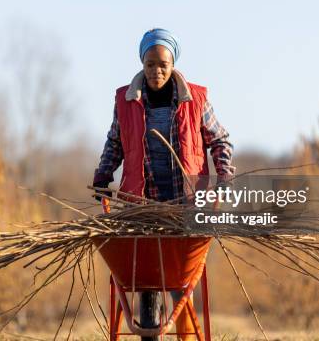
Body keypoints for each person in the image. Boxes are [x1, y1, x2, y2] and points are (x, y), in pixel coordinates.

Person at [93, 28, 235, 341]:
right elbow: (115, 143)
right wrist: (103, 175)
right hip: (140, 205)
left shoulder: (195, 99)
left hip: (183, 206)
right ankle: (151, 329)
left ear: (173, 65)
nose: (156, 70)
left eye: (163, 65)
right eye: (150, 64)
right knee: (143, 275)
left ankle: (185, 335)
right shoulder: (126, 101)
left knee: (179, 283)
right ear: (141, 64)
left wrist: (224, 172)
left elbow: (220, 140)